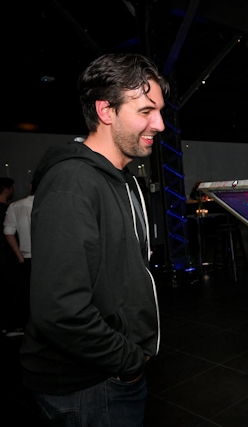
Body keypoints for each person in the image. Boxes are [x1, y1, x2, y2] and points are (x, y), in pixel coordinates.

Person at [19, 53, 168, 426]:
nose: (160, 124)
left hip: (108, 372)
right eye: (146, 111)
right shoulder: (73, 183)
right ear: (106, 111)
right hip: (88, 385)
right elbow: (60, 311)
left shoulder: (121, 179)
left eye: (160, 111)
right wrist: (128, 361)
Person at [3, 179, 37, 337]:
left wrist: (19, 256)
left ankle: (19, 326)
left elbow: (8, 233)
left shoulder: (15, 206)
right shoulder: (50, 204)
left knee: (23, 294)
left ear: (31, 186)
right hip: (45, 258)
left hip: (26, 257)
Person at [0, 177, 16, 334]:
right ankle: (10, 325)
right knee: (9, 292)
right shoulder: (8, 210)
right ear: (7, 190)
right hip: (6, 257)